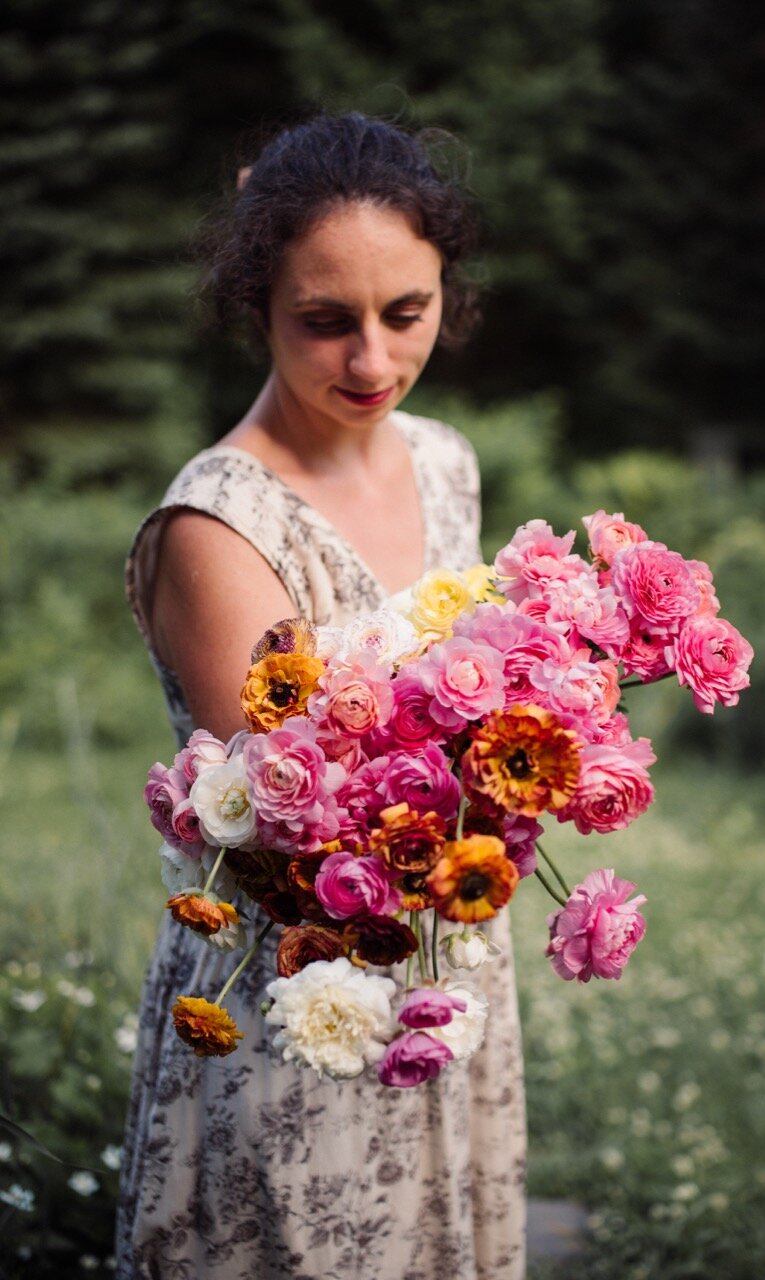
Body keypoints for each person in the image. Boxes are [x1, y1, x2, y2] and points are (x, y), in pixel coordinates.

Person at [118, 113, 526, 1279]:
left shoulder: (444, 459)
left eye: (406, 312)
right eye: (324, 321)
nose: (373, 363)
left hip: (445, 965)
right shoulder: (219, 526)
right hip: (304, 1004)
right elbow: (299, 835)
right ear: (259, 306)